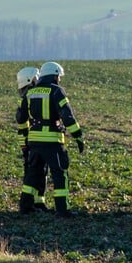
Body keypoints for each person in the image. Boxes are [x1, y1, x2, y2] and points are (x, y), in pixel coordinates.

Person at [15, 61, 84, 217]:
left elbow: (21, 118)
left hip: (34, 142)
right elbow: (67, 115)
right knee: (60, 174)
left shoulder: (30, 93)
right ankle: (62, 210)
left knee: (33, 174)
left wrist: (25, 142)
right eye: (59, 76)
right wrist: (78, 136)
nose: (59, 79)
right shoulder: (56, 91)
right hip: (53, 141)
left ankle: (25, 207)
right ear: (54, 75)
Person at [15, 66, 49, 212]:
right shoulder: (31, 98)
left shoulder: (26, 98)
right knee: (35, 172)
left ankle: (38, 201)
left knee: (38, 171)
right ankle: (31, 204)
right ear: (32, 80)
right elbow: (23, 125)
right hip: (34, 141)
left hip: (31, 140)